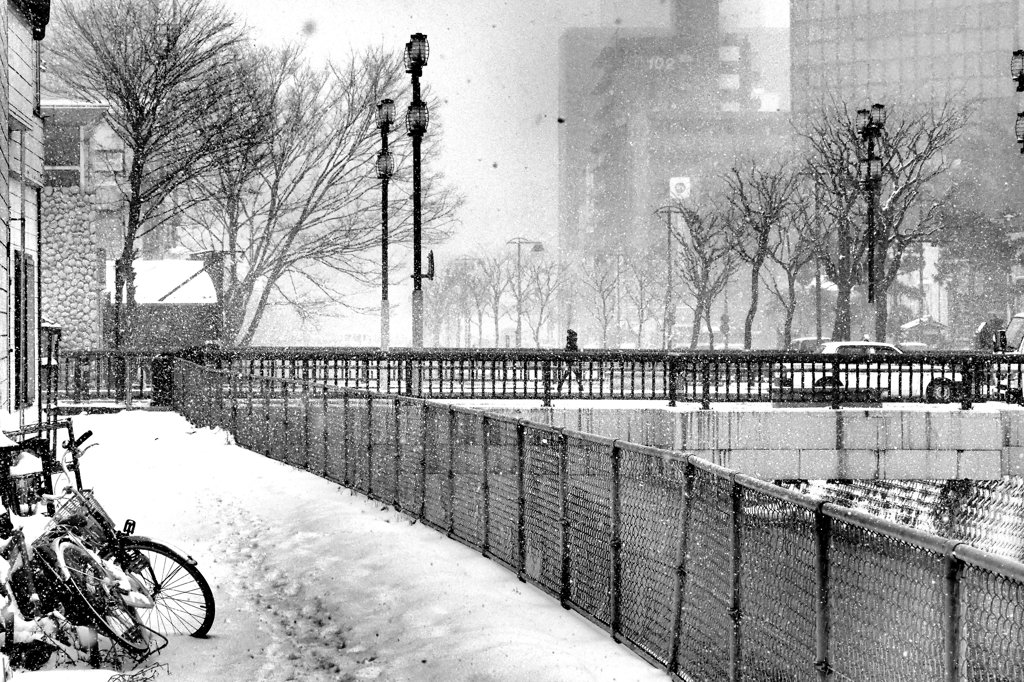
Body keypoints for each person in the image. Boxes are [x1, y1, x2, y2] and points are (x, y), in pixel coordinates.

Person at [557, 329, 583, 393]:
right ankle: (580, 386)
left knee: (567, 374)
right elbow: (575, 351)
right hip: (573, 361)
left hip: (569, 361)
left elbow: (566, 351)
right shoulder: (573, 343)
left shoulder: (568, 343)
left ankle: (560, 386)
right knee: (577, 374)